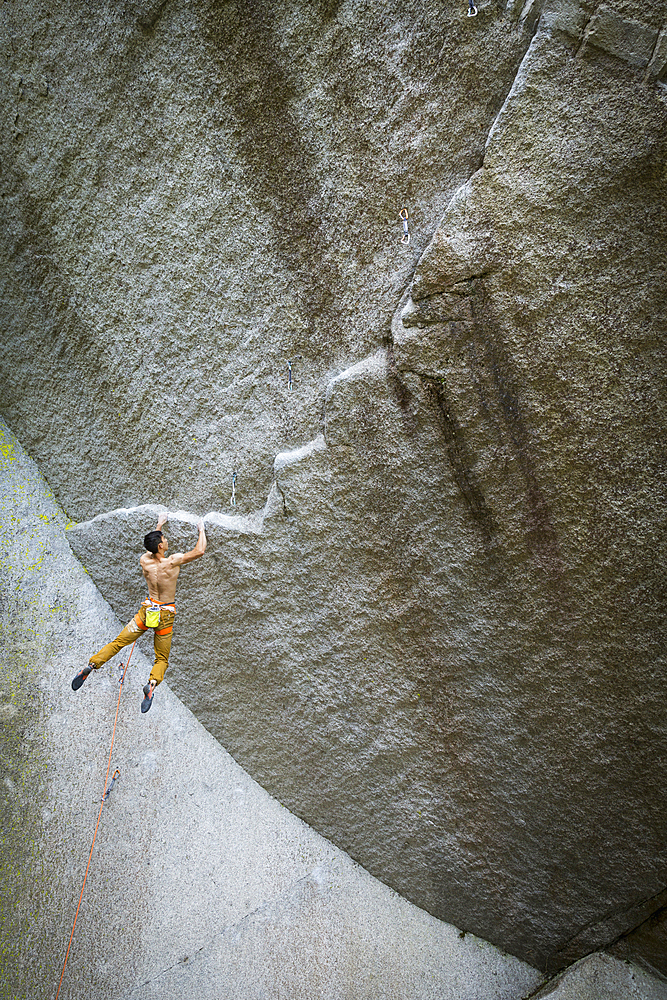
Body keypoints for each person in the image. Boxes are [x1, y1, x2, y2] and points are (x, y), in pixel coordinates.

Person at [71, 513, 207, 713]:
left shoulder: (144, 560)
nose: (166, 540)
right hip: (165, 616)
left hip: (146, 613)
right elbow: (200, 550)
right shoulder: (172, 562)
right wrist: (201, 529)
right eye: (164, 539)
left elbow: (150, 545)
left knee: (118, 643)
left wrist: (160, 523)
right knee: (161, 658)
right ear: (160, 546)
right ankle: (152, 683)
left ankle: (92, 664)